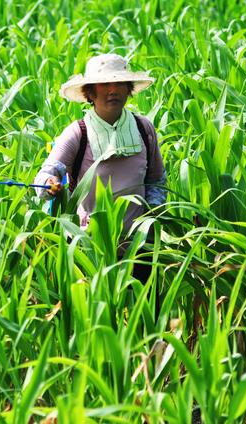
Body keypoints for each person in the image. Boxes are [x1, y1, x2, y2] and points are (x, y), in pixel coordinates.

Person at [34, 53, 166, 281]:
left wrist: (150, 217)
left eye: (119, 83)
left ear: (128, 89)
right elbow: (48, 173)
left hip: (139, 247)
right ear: (91, 92)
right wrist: (49, 185)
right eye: (105, 84)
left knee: (146, 312)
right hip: (90, 248)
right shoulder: (78, 133)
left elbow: (157, 180)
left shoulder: (144, 129)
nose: (112, 90)